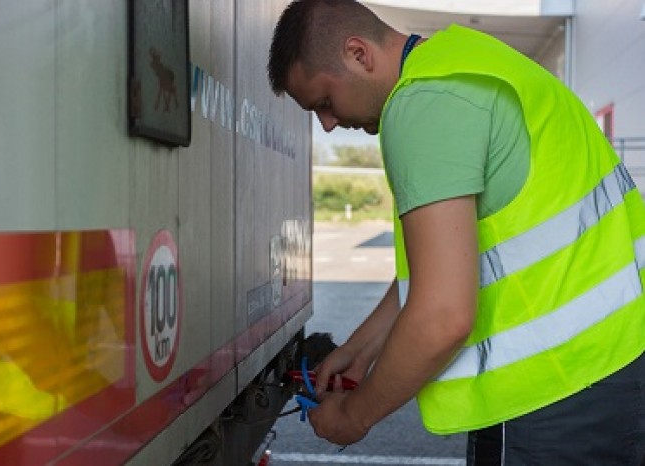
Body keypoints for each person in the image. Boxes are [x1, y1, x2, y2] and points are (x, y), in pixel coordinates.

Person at [267, 1, 645, 464]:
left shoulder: (423, 103)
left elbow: (442, 316)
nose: (327, 124)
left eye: (324, 102)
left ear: (358, 54)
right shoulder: (467, 63)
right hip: (613, 368)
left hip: (551, 394)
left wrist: (353, 416)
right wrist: (361, 348)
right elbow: (455, 262)